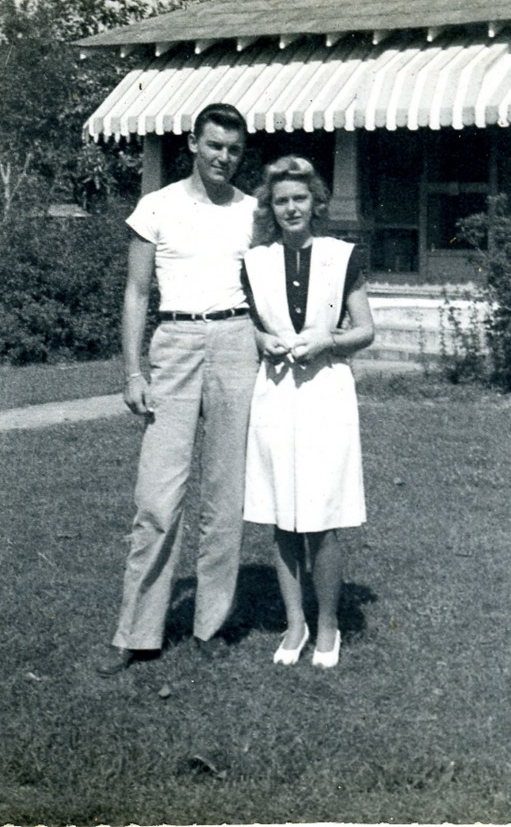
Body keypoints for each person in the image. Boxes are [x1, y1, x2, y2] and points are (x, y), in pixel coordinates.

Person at [97, 103, 259, 676]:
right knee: (158, 498)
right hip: (175, 343)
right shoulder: (157, 207)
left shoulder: (252, 212)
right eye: (214, 146)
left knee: (225, 495)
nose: (224, 158)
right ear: (193, 143)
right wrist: (133, 372)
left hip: (238, 343)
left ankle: (210, 624)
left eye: (234, 150)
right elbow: (136, 294)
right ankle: (136, 632)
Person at [242, 155, 374, 669]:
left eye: (299, 198)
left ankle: (327, 625)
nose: (291, 208)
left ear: (316, 203)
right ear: (270, 209)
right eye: (281, 201)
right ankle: (294, 623)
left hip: (325, 390)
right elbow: (250, 326)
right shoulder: (255, 262)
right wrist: (264, 339)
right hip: (275, 391)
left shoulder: (342, 257)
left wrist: (329, 340)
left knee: (320, 515)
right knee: (280, 514)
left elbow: (365, 330)